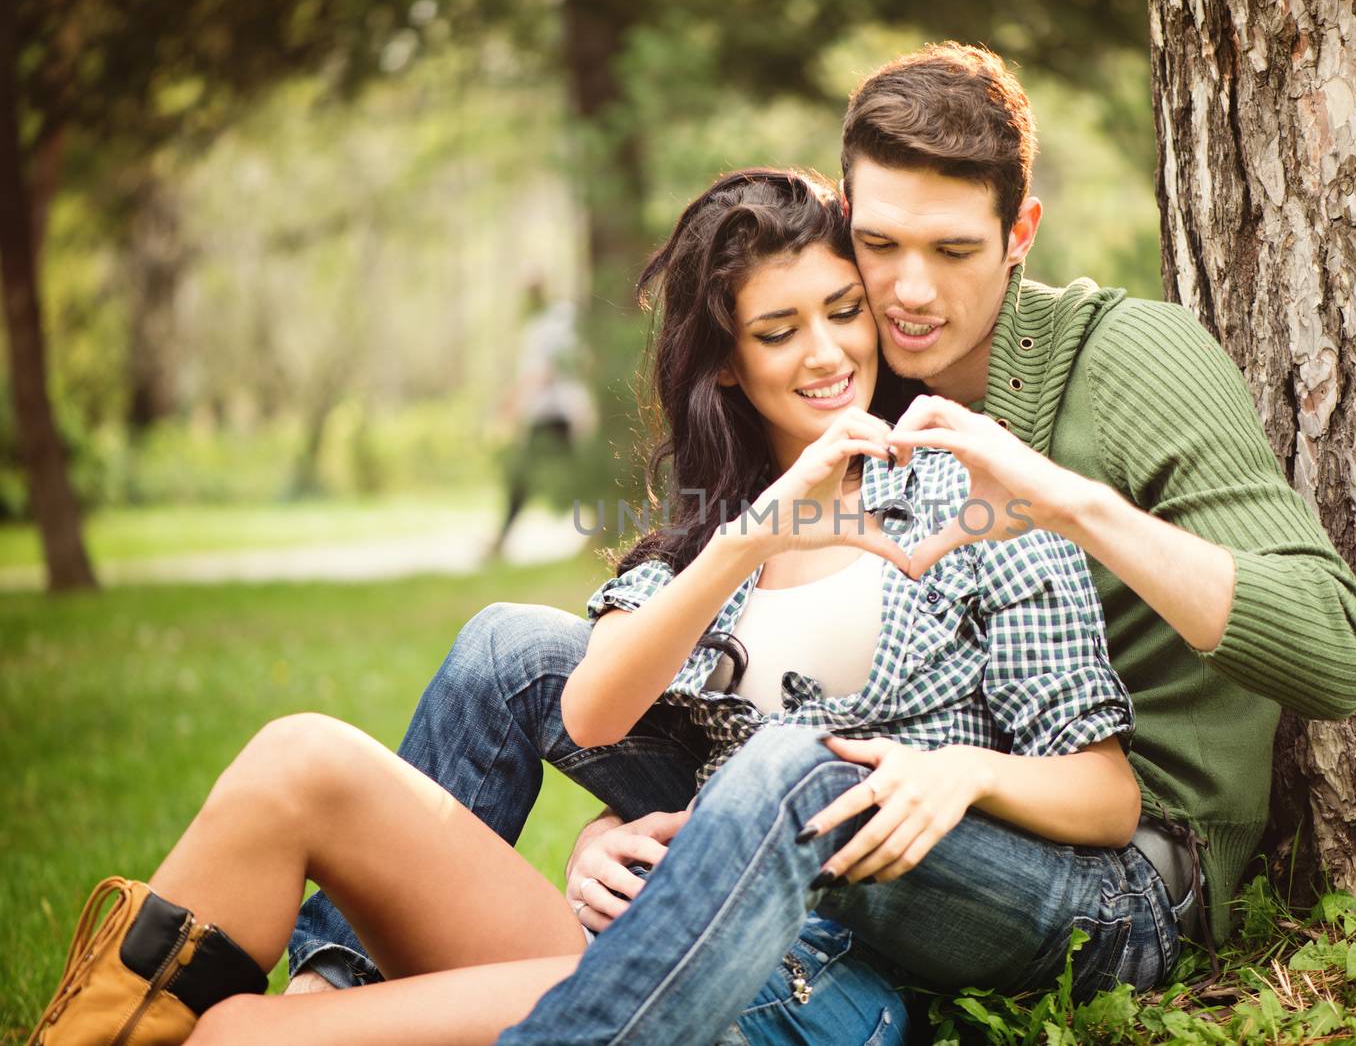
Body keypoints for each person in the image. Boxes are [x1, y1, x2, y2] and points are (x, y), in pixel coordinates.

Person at [292, 41, 1356, 1036]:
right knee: (509, 654)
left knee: (805, 775)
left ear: (1020, 234)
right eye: (879, 247)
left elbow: (1334, 657)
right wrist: (623, 839)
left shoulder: (1130, 359)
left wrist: (1070, 502)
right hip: (868, 792)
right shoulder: (857, 373)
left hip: (1114, 855)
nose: (908, 293)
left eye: (954, 249)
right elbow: (791, 681)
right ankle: (320, 986)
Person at [28, 169, 1147, 1046]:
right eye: (777, 331)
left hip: (808, 983)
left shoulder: (972, 495)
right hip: (654, 933)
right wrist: (763, 527)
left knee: (240, 1034)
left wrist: (960, 773)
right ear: (724, 367)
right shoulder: (711, 534)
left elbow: (1106, 796)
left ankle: (322, 1010)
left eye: (843, 311)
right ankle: (332, 978)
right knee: (297, 757)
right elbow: (597, 710)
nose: (826, 353)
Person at [486, 277, 598, 560]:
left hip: (554, 413)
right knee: (570, 476)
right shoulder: (556, 322)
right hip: (558, 412)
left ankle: (502, 539)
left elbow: (541, 372)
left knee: (527, 475)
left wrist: (511, 404)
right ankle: (597, 530)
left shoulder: (549, 325)